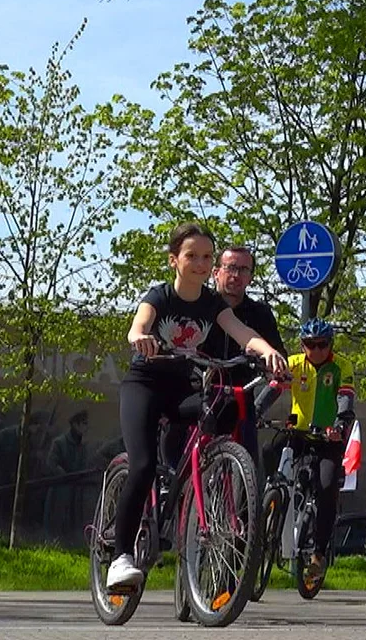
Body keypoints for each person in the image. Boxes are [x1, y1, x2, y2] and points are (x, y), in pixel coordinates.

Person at [107, 222, 288, 591]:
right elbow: (138, 325)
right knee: (142, 465)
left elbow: (242, 333)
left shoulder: (213, 304)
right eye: (192, 256)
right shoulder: (160, 297)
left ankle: (203, 496)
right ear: (175, 260)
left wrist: (266, 349)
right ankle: (120, 557)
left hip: (184, 387)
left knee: (221, 411)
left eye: (207, 257)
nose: (201, 264)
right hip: (146, 384)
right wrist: (140, 337)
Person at [201, 245, 287, 470]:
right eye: (230, 268)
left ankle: (243, 501)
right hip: (200, 390)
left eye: (243, 269)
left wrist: (275, 366)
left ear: (250, 277)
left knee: (249, 461)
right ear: (216, 272)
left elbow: (278, 353)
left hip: (241, 394)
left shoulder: (260, 313)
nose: (236, 275)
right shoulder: (200, 306)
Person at [285, 317, 356, 581]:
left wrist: (339, 424)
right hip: (299, 435)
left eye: (322, 345)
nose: (315, 351)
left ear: (331, 344)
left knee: (326, 490)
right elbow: (273, 388)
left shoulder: (341, 366)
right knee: (268, 461)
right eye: (309, 345)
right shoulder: (293, 364)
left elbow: (345, 398)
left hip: (328, 439)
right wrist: (255, 410)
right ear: (301, 345)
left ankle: (318, 553)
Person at [44, 410, 90, 541]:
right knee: (56, 520)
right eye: (83, 423)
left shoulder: (82, 446)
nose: (86, 427)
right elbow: (51, 463)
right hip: (59, 489)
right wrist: (64, 475)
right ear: (75, 424)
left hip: (75, 489)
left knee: (72, 521)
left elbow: (83, 465)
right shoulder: (59, 443)